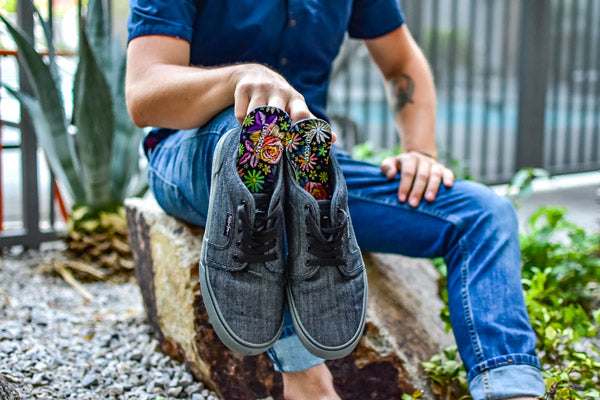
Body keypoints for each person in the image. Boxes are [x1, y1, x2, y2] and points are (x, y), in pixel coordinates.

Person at [125, 1, 546, 399]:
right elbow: (144, 94)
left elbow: (401, 63)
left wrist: (421, 151)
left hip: (313, 171)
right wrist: (240, 79)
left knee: (482, 214)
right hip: (192, 156)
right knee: (263, 139)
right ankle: (306, 380)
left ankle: (509, 385)